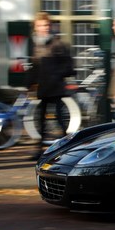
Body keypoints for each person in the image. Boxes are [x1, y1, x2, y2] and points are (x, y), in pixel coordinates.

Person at [27, 12, 75, 160]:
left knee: (59, 119)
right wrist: (30, 84)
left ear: (50, 26)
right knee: (39, 120)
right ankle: (38, 149)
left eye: (46, 25)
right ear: (35, 27)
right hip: (41, 88)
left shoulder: (58, 44)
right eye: (40, 25)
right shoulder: (34, 44)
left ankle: (68, 147)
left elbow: (69, 66)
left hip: (55, 87)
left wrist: (55, 75)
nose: (44, 28)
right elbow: (33, 66)